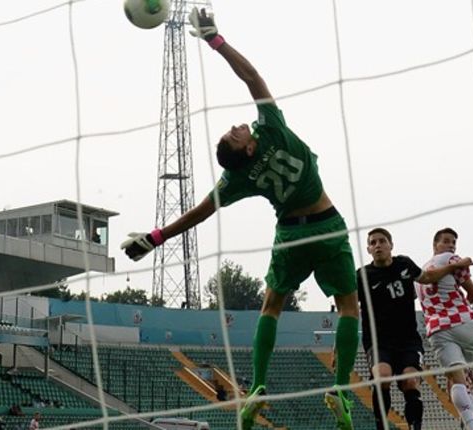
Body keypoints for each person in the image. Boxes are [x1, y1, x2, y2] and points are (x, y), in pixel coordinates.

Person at [121, 8, 360, 430]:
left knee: (272, 307)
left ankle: (259, 388)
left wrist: (155, 238)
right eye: (236, 133)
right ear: (248, 147)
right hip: (327, 225)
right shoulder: (272, 130)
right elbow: (252, 77)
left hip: (289, 235)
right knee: (348, 307)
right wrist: (216, 41)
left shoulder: (236, 178)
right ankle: (340, 388)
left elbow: (200, 212)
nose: (238, 125)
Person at [358, 228, 473, 430]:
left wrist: (455, 266)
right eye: (373, 242)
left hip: (407, 340)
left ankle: (416, 426)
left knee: (410, 383)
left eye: (382, 241)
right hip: (378, 341)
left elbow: (428, 278)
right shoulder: (362, 275)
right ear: (368, 249)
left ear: (391, 245)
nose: (378, 245)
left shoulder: (404, 264)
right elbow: (349, 309)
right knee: (381, 378)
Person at [417, 228, 473, 430]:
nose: (451, 245)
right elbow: (472, 292)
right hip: (463, 321)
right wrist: (462, 309)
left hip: (437, 328)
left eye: (453, 242)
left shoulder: (419, 272)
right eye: (446, 241)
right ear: (435, 245)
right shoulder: (451, 259)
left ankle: (472, 427)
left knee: (456, 379)